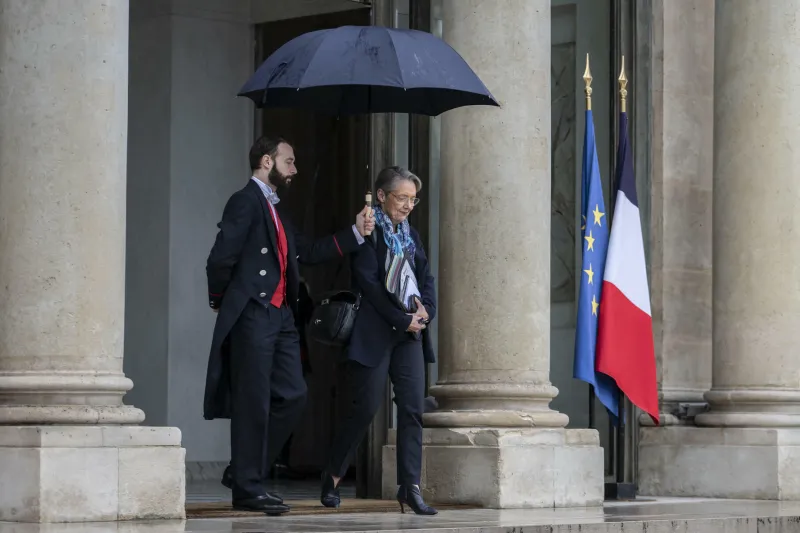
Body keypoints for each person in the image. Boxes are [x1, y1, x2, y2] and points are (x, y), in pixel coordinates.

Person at [204, 136, 375, 515]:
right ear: (267, 161)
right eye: (290, 161)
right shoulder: (245, 201)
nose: (295, 169)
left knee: (293, 394)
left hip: (281, 315)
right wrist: (222, 301)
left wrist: (355, 232)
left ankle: (245, 471)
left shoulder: (278, 210)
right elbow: (220, 258)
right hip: (255, 311)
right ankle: (248, 488)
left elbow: (308, 252)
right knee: (253, 401)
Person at [320, 166, 438, 515]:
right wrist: (403, 318)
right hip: (376, 333)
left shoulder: (411, 236)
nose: (407, 206)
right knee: (365, 409)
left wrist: (425, 312)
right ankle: (334, 473)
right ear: (382, 196)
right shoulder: (368, 233)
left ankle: (409, 488)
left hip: (409, 337)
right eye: (402, 198)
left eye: (412, 200)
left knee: (413, 411)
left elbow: (426, 278)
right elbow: (369, 285)